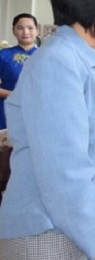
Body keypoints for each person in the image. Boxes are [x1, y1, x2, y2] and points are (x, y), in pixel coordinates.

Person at [0, 0, 95, 260]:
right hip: (48, 236)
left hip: (79, 232)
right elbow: (64, 169)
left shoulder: (84, 63)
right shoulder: (57, 63)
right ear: (92, 4)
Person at [0, 13, 39, 200]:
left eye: (30, 28)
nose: (26, 32)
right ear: (14, 30)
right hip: (7, 112)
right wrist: (16, 96)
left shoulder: (45, 55)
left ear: (37, 30)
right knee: (5, 160)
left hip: (35, 114)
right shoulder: (3, 55)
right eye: (21, 28)